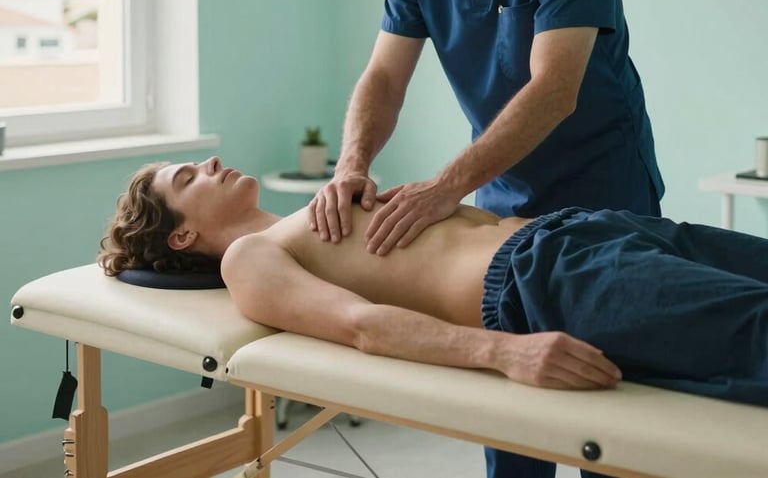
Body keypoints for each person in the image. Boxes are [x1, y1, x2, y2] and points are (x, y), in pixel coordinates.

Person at [308, 0, 665, 478]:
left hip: (606, 194)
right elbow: (383, 77)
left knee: (609, 414)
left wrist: (444, 188)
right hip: (505, 209)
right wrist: (351, 163)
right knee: (513, 419)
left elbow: (555, 89)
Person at [100, 157, 768, 418]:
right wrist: (507, 352)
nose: (210, 163)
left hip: (588, 230)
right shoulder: (251, 257)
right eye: (189, 177)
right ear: (182, 236)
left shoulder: (324, 204)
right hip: (550, 278)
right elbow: (362, 324)